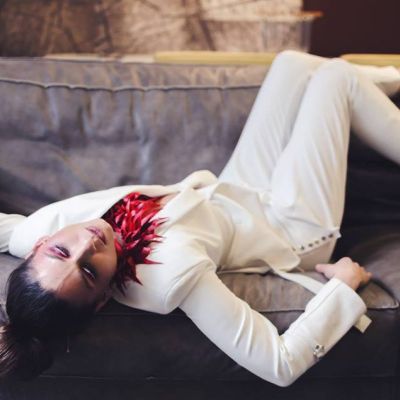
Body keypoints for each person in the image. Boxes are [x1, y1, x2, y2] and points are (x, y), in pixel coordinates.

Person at [0, 50, 399, 385]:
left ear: (40, 245)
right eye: (89, 271)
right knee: (336, 77)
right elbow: (280, 364)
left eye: (60, 251)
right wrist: (343, 287)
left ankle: (384, 86)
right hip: (290, 226)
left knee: (292, 64)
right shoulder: (171, 276)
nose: (88, 244)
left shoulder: (32, 231)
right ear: (104, 297)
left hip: (237, 191)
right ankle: (369, 88)